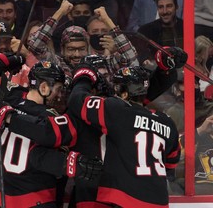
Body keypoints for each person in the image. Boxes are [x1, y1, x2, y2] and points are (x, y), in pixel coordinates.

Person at [0, 60, 102, 207]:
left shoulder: (8, 103)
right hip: (38, 198)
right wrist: (67, 162)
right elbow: (38, 153)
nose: (59, 95)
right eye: (58, 89)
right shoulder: (49, 117)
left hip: (4, 199)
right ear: (43, 87)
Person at [67, 64, 181, 207]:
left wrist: (84, 76)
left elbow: (77, 100)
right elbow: (172, 162)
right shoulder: (167, 122)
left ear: (125, 94)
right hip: (159, 201)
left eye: (116, 89)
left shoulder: (117, 110)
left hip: (127, 199)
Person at [28, 0, 137, 78]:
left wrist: (107, 20)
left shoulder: (102, 62)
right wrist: (60, 12)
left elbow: (130, 56)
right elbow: (35, 46)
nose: (77, 54)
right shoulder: (57, 64)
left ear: (88, 48)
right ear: (62, 49)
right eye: (71, 49)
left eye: (81, 49)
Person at [138, 0, 183, 64]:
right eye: (161, 7)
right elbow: (141, 56)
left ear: (176, 7)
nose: (164, 11)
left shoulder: (185, 28)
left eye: (169, 6)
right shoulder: (145, 31)